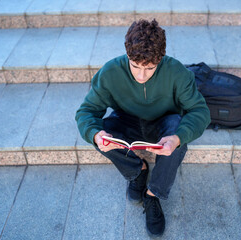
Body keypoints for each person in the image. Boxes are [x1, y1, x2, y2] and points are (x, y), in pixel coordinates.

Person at [75, 19, 210, 237]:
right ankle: (138, 171)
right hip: (126, 120)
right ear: (127, 54)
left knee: (179, 137)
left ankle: (153, 193)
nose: (141, 75)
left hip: (163, 122)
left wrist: (177, 138)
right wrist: (95, 134)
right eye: (135, 65)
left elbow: (200, 111)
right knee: (100, 135)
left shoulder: (178, 72)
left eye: (149, 68)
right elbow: (86, 112)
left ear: (160, 58)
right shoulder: (110, 72)